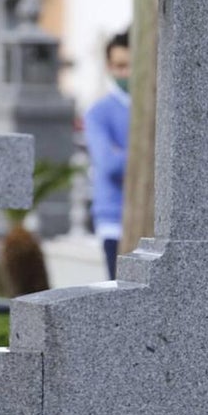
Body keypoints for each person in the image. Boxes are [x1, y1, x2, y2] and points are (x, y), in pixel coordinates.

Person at [83, 31, 131, 280]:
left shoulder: (158, 107)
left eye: (132, 65)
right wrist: (143, 158)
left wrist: (123, 153)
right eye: (120, 66)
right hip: (114, 219)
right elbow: (110, 165)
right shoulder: (98, 113)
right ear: (110, 67)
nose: (126, 73)